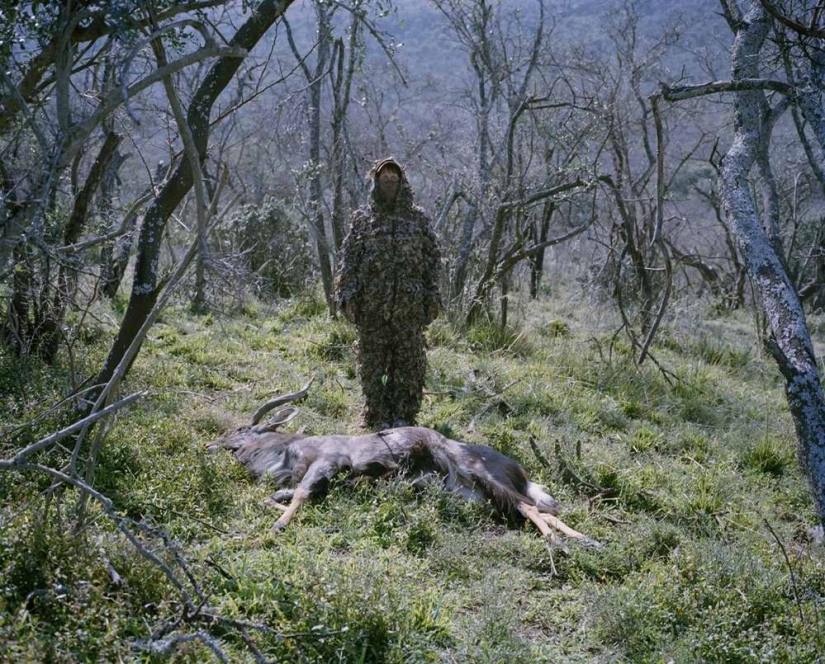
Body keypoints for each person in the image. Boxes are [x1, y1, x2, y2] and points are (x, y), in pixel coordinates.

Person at [334, 157, 442, 429]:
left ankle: (404, 417)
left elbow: (432, 260)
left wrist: (433, 297)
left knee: (410, 365)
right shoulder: (363, 220)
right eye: (384, 180)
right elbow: (349, 259)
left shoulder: (418, 219)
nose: (390, 185)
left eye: (394, 180)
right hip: (372, 307)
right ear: (376, 183)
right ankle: (377, 416)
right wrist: (347, 295)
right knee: (372, 364)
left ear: (402, 183)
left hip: (410, 307)